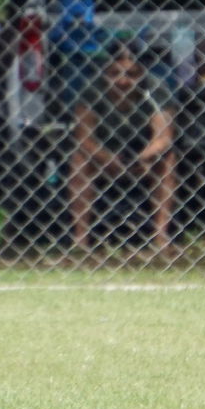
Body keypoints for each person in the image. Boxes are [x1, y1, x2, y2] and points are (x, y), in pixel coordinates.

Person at [68, 41, 177, 252]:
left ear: (142, 73)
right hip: (104, 155)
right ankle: (80, 238)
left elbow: (163, 137)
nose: (123, 81)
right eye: (115, 73)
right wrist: (107, 159)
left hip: (142, 154)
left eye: (132, 74)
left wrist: (143, 157)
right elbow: (84, 138)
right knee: (79, 160)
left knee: (169, 160)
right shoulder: (92, 91)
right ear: (105, 73)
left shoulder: (155, 89)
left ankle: (161, 235)